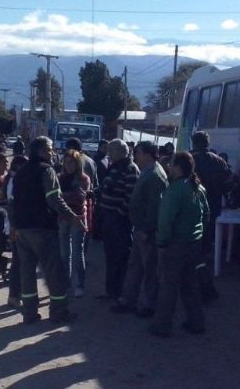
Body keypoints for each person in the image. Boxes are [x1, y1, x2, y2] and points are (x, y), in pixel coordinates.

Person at [12, 136, 81, 324]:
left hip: (22, 230)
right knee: (54, 272)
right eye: (50, 149)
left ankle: (29, 313)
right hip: (42, 228)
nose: (53, 152)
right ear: (41, 151)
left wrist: (15, 226)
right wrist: (72, 216)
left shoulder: (20, 172)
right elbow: (54, 199)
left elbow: (13, 201)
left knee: (27, 273)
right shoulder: (46, 170)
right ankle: (59, 312)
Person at [150, 152, 208, 338]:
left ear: (178, 167)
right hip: (195, 244)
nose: (168, 167)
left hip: (176, 245)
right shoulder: (198, 188)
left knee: (168, 285)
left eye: (172, 164)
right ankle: (196, 322)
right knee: (191, 285)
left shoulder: (174, 190)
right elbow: (206, 215)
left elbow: (165, 220)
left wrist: (161, 243)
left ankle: (161, 325)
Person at [112, 141, 168, 318]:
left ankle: (149, 305)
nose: (136, 156)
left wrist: (147, 229)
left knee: (149, 268)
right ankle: (129, 300)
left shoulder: (155, 175)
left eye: (139, 153)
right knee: (135, 265)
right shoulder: (148, 171)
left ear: (148, 154)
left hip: (146, 230)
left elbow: (155, 206)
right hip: (140, 228)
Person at [95, 139, 140, 300]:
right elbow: (105, 188)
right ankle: (111, 291)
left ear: (121, 152)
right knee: (110, 256)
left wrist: (120, 213)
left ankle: (121, 292)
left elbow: (131, 196)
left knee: (120, 257)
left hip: (120, 221)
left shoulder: (130, 168)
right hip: (108, 218)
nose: (109, 154)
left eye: (112, 151)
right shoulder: (114, 167)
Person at [190, 132, 230, 301]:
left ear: (194, 142)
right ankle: (204, 286)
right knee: (204, 247)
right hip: (213, 207)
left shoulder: (191, 159)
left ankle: (201, 288)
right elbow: (229, 184)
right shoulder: (220, 161)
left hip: (193, 208)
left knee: (193, 249)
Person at [58, 149, 91, 298]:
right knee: (64, 253)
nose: (68, 165)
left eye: (71, 163)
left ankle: (79, 284)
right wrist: (66, 197)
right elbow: (57, 198)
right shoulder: (60, 178)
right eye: (66, 163)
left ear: (77, 163)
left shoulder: (84, 178)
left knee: (78, 252)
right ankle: (66, 283)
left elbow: (79, 198)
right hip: (62, 218)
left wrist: (64, 197)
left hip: (78, 217)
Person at [5, 155, 29, 309]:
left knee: (19, 262)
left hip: (16, 226)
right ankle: (14, 295)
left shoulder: (12, 180)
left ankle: (16, 295)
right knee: (18, 262)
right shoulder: (15, 181)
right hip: (17, 227)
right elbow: (12, 206)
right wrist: (14, 227)